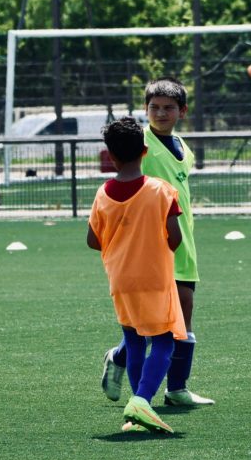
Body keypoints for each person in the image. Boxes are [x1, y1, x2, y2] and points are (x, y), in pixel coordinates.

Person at [100, 78, 214, 407]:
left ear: (182, 111)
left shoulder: (182, 147)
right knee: (152, 323)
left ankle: (176, 388)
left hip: (183, 239)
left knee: (184, 311)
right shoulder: (141, 144)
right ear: (145, 109)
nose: (161, 113)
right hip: (152, 245)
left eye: (168, 108)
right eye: (154, 107)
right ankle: (122, 360)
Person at [88, 117, 187, 434]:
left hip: (120, 280)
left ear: (110, 156)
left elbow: (92, 240)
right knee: (164, 342)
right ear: (145, 151)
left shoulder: (103, 194)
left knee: (134, 341)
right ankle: (142, 400)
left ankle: (135, 417)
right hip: (154, 278)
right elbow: (175, 238)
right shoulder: (161, 191)